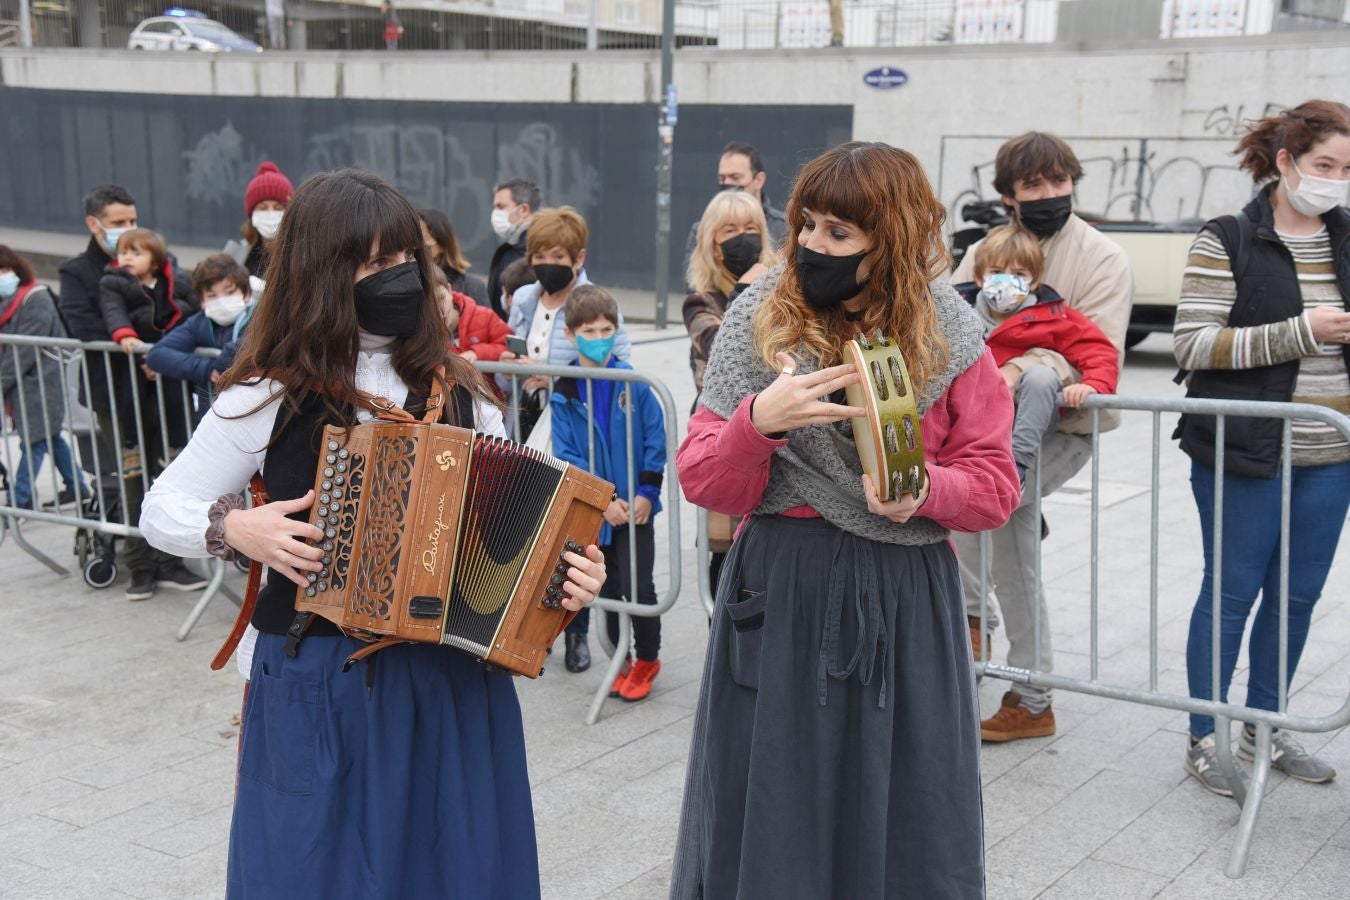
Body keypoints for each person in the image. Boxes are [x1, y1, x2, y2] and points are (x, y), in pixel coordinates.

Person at [139, 168, 608, 898]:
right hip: (322, 681)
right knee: (317, 873)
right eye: (369, 263)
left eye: (401, 261)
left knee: (456, 872)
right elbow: (160, 508)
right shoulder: (270, 389)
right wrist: (238, 528)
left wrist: (571, 577)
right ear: (321, 272)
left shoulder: (461, 387)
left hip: (451, 682)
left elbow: (524, 532)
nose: (393, 277)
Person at [670, 142, 1019, 898]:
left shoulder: (951, 337)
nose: (811, 246)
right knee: (777, 811)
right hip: (782, 587)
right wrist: (757, 421)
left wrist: (924, 490)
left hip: (904, 599)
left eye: (839, 233)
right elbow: (701, 475)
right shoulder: (757, 322)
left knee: (908, 811)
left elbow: (995, 486)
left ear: (888, 239)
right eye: (808, 225)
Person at [1173, 100, 1350, 795]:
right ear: (1285, 162)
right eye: (1324, 165)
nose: (1336, 179)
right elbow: (1191, 345)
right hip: (1245, 450)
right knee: (1231, 593)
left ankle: (1264, 728)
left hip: (1330, 458)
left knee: (1297, 598)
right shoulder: (1229, 238)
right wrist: (1302, 332)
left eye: (1348, 168)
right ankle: (1203, 736)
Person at [951, 131, 1133, 740]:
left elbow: (1095, 352)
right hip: (980, 429)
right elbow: (949, 325)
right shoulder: (981, 251)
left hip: (1057, 428)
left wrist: (1018, 369)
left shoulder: (1102, 257)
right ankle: (976, 641)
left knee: (1007, 538)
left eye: (1060, 181)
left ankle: (1030, 696)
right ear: (1009, 196)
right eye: (1034, 185)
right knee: (961, 518)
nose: (1051, 193)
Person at [551, 286, 667, 692]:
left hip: (636, 509)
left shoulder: (633, 382)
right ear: (570, 334)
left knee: (640, 587)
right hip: (598, 514)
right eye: (589, 331)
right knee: (610, 589)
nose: (598, 339)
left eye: (606, 330)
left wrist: (645, 496)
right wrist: (603, 502)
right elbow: (568, 455)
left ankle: (648, 659)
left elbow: (655, 436)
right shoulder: (564, 394)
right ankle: (623, 658)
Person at [954, 224, 1119, 489]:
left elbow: (1097, 350)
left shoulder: (1053, 316)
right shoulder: (959, 312)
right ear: (978, 277)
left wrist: (1094, 385)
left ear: (1033, 280)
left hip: (1025, 416)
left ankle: (1018, 464)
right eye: (996, 272)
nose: (1006, 281)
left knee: (1041, 375)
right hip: (973, 420)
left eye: (1019, 273)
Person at [97, 227, 204, 602]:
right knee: (134, 477)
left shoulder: (178, 283)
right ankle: (140, 564)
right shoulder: (113, 283)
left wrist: (164, 357)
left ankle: (170, 560)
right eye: (123, 252)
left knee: (171, 473)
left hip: (171, 393)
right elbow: (112, 313)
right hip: (130, 394)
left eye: (136, 252)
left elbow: (197, 317)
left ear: (155, 258)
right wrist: (126, 335)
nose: (126, 258)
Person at [682, 189, 774, 599]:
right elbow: (720, 348)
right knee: (727, 563)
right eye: (730, 231)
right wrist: (744, 293)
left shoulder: (782, 291)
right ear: (712, 244)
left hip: (773, 435)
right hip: (725, 439)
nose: (743, 238)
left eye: (751, 229)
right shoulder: (701, 301)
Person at [502, 206, 632, 441]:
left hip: (574, 424)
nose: (548, 264)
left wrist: (553, 380)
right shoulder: (522, 299)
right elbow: (507, 370)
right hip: (524, 419)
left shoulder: (598, 305)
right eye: (539, 257)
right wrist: (507, 369)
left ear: (578, 258)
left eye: (558, 256)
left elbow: (620, 372)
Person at [0, 245, 88, 510]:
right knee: (48, 435)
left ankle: (21, 500)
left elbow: (24, 350)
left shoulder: (35, 298)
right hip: (24, 384)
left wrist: (2, 380)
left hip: (42, 382)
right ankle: (77, 487)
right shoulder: (8, 303)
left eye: (4, 269)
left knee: (35, 439)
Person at [145, 253, 252, 408]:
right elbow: (157, 355)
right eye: (212, 296)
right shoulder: (198, 323)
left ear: (246, 294)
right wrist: (205, 368)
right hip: (212, 413)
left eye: (229, 292)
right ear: (202, 302)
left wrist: (224, 359)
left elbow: (255, 343)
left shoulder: (261, 316)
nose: (221, 301)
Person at [684, 141, 787, 273]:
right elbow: (694, 281)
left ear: (759, 180)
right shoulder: (702, 229)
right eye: (722, 178)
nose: (727, 184)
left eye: (735, 177)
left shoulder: (784, 228)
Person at [428, 267, 511, 363]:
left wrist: (477, 352)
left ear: (450, 290)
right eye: (429, 305)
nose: (439, 309)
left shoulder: (485, 316)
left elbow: (509, 347)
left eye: (441, 299)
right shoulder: (422, 332)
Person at [487, 177, 540, 320]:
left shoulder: (537, 250)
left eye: (501, 207)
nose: (495, 213)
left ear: (523, 210)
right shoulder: (512, 248)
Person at [231, 162, 295, 281]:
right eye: (263, 208)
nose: (270, 213)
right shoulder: (237, 258)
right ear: (252, 215)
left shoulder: (301, 256)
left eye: (278, 208)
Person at [419, 207, 489, 307]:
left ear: (442, 244)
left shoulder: (472, 288)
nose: (418, 250)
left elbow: (485, 321)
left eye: (425, 245)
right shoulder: (409, 285)